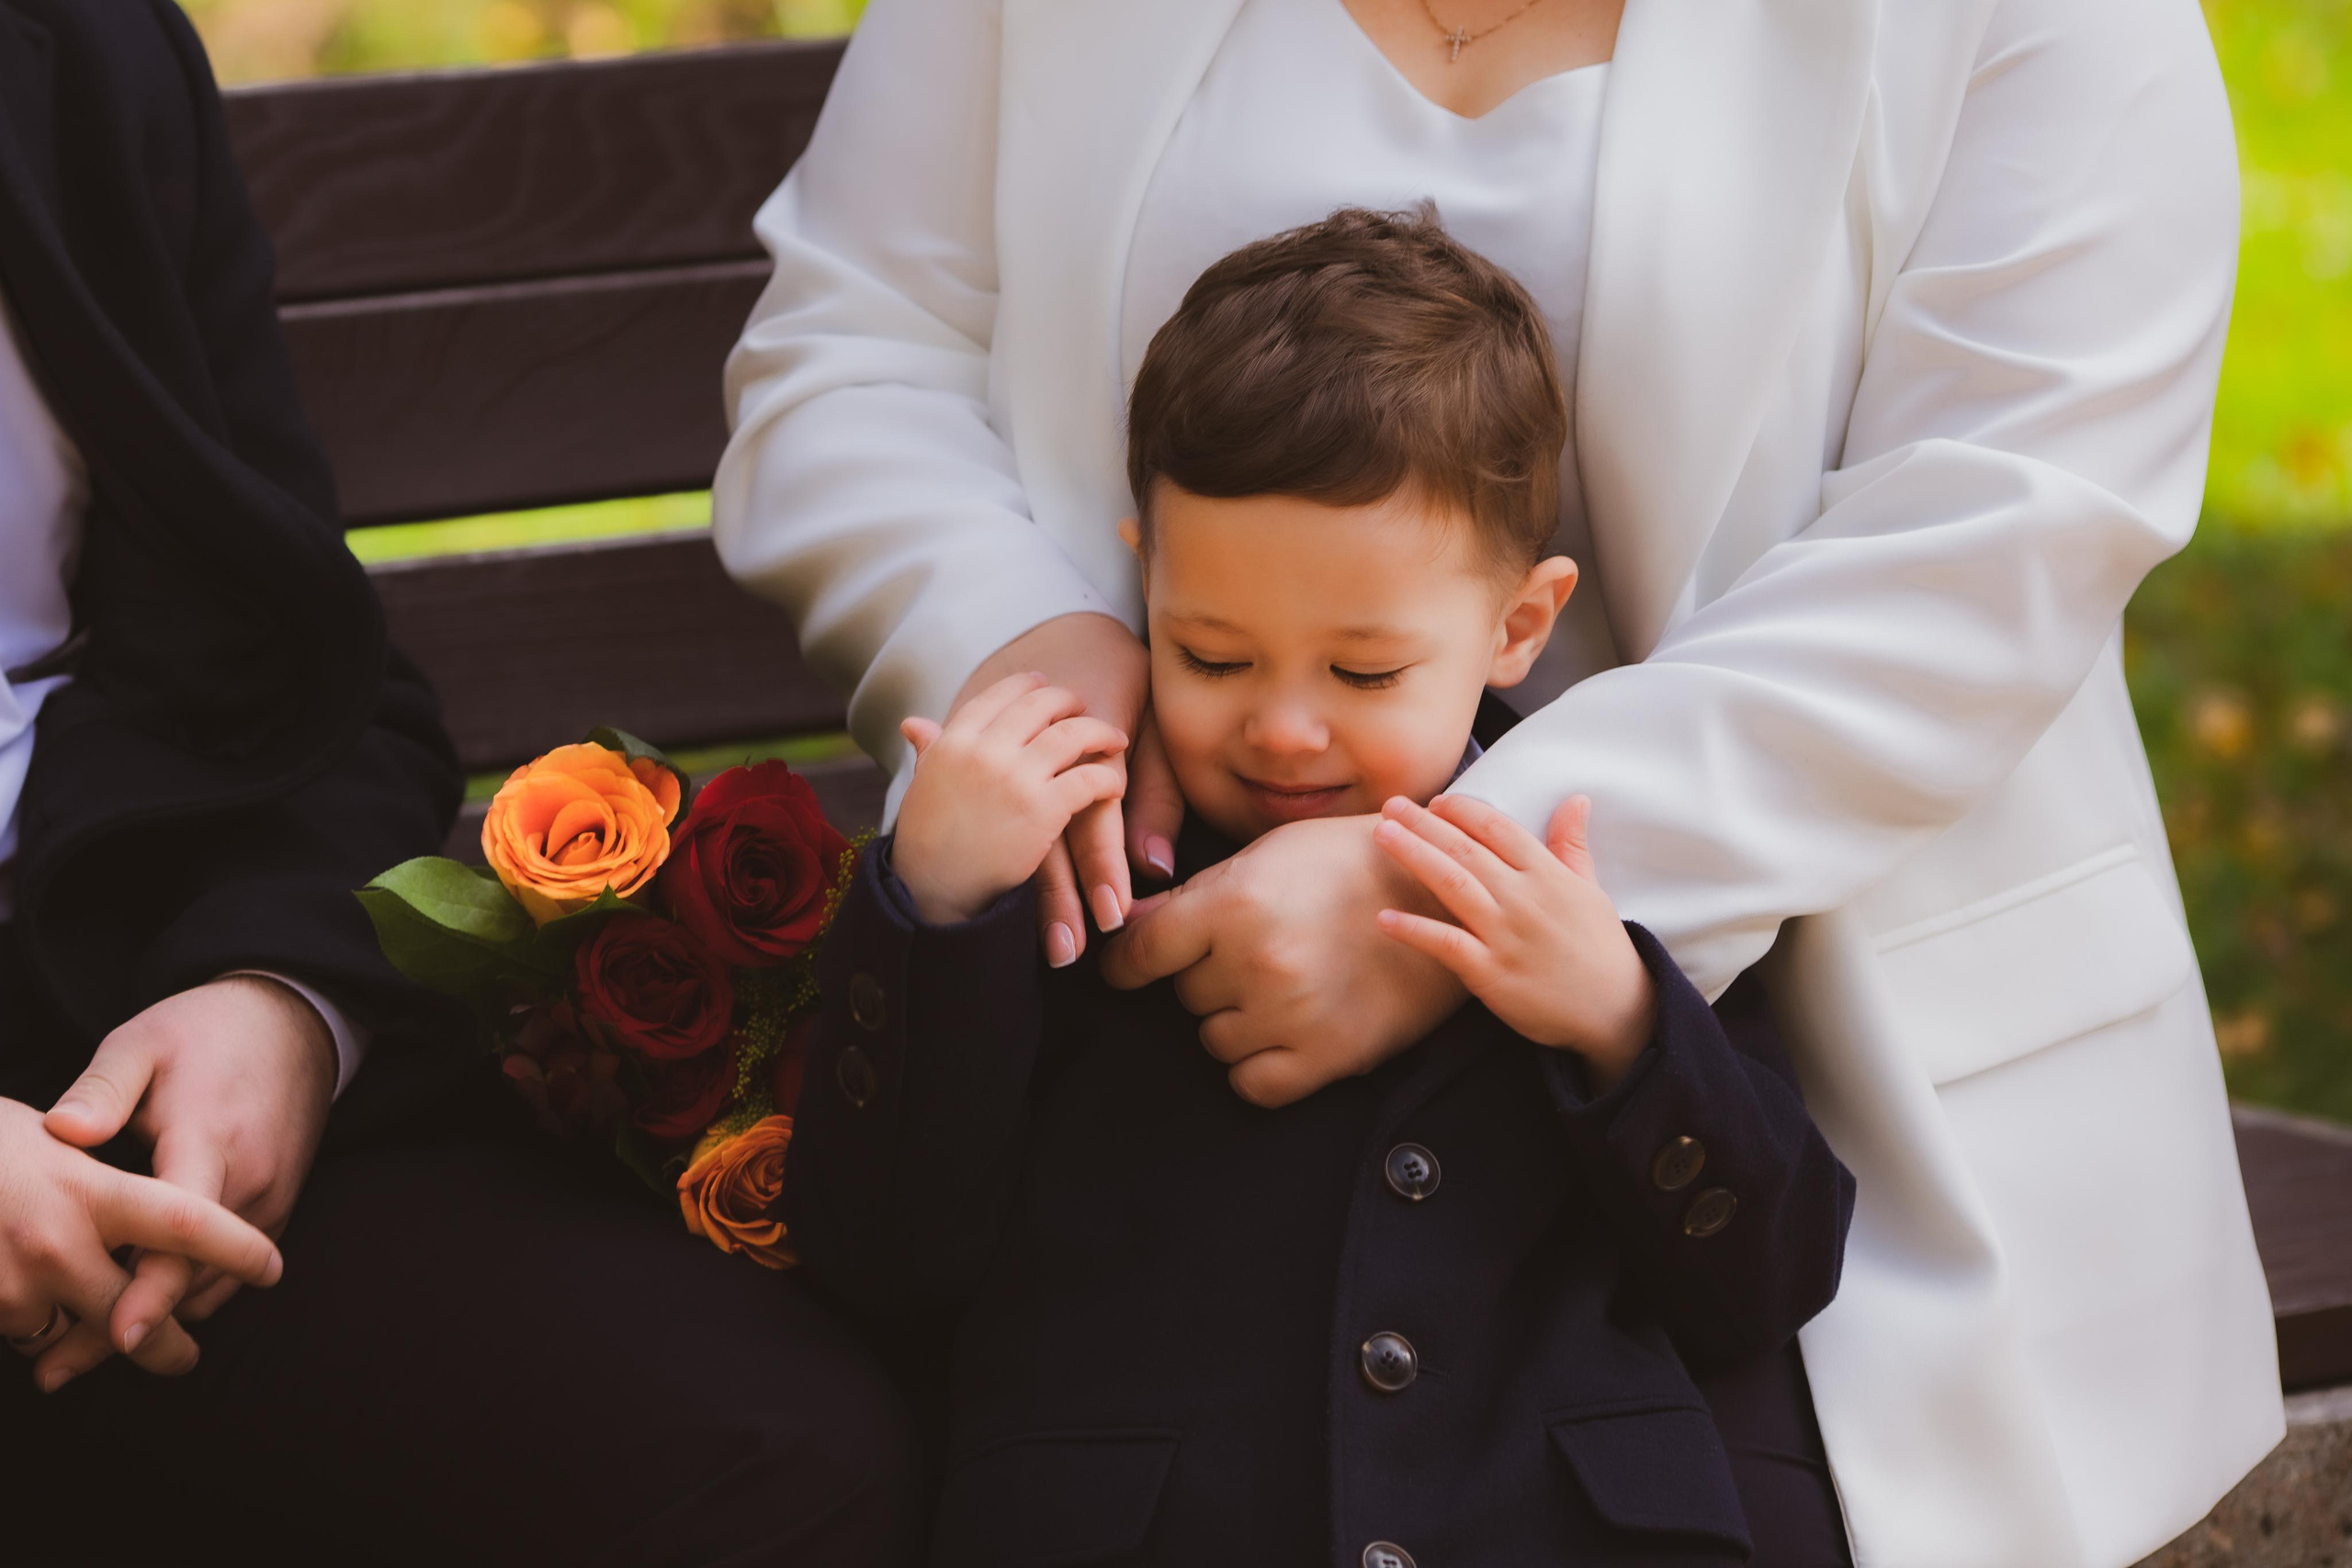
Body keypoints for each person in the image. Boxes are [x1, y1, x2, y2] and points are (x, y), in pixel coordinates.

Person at [714, 0, 2280, 1561]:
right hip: (1150, 1011)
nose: (1296, 727)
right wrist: (1030, 657)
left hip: (1795, 1042)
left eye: (1360, 678)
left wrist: (1448, 883)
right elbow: (861, 346)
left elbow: (2015, 511)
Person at [786, 209, 1857, 1566]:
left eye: (1363, 673)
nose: (1285, 731)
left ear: (1520, 624)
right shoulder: (1072, 854)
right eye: (1214, 656)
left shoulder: (1586, 867)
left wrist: (1621, 1026)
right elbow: (882, 1261)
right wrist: (936, 903)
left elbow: (1770, 1279)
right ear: (1147, 574)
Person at [0, 3, 920, 1561]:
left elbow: (292, 672)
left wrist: (280, 996)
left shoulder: (74, 51)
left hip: (113, 1045)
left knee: (777, 1464)